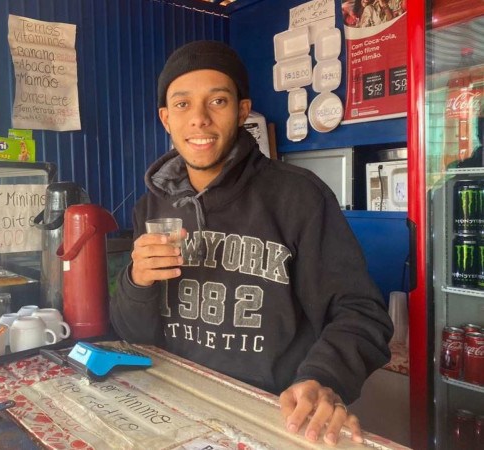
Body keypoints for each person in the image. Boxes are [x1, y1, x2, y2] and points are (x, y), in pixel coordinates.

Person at [110, 40, 393, 446]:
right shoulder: (151, 207)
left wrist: (324, 378)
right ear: (165, 118)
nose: (200, 120)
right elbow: (134, 336)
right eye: (183, 104)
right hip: (174, 408)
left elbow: (362, 313)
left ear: (242, 111)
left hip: (273, 416)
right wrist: (137, 283)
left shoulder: (298, 197)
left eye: (218, 101)